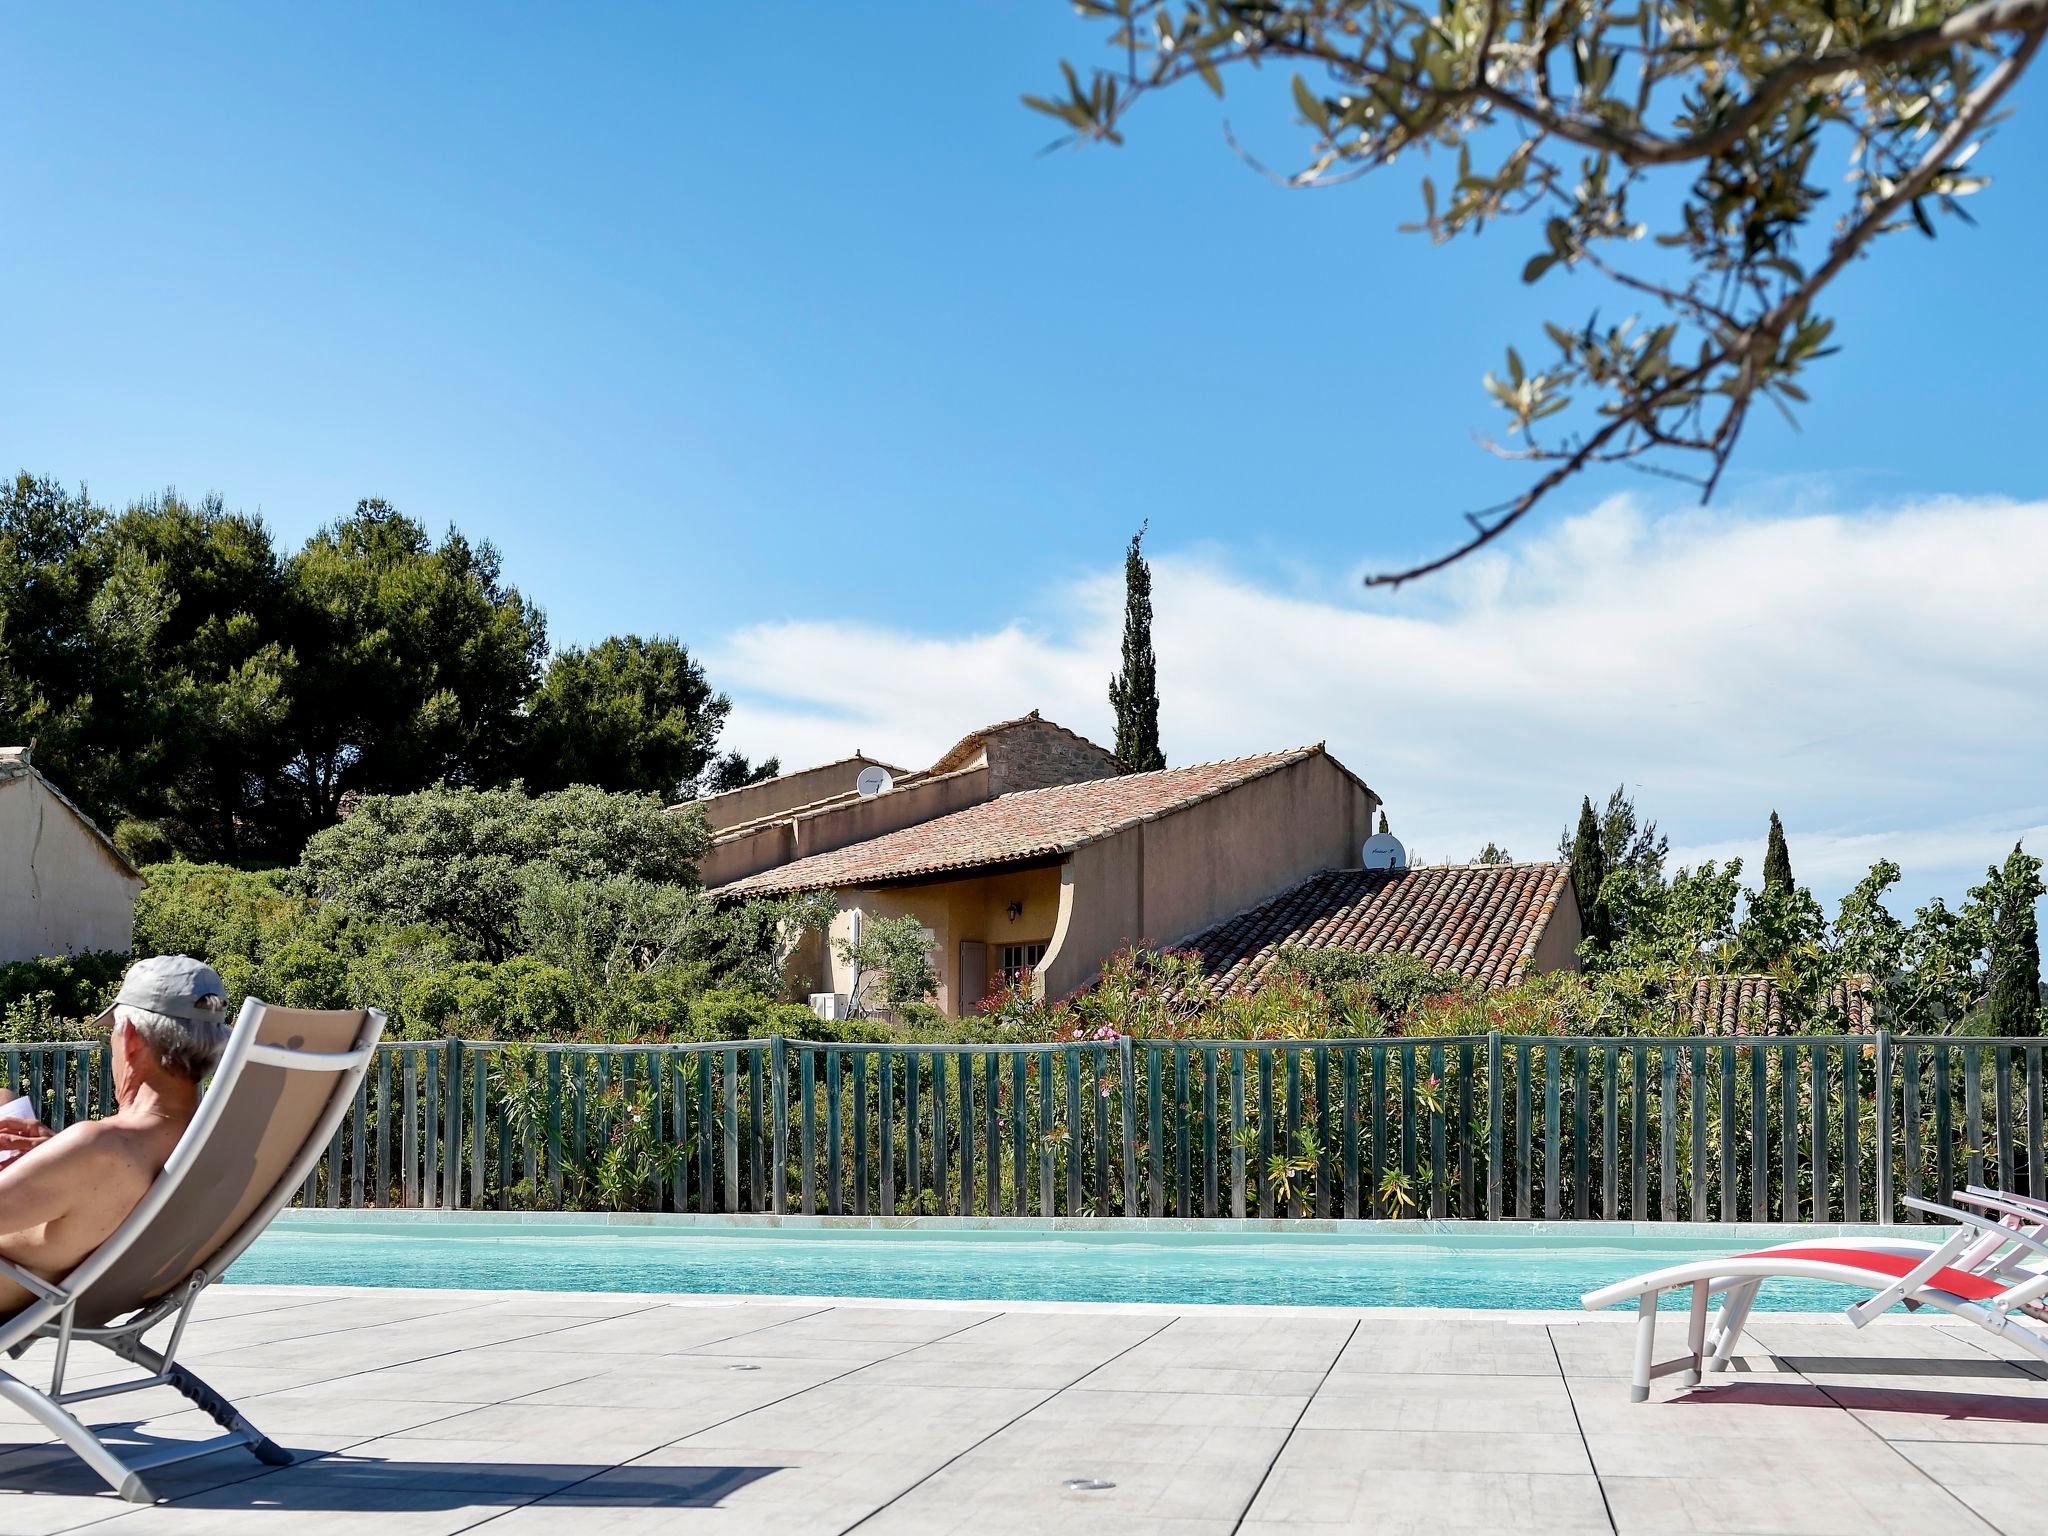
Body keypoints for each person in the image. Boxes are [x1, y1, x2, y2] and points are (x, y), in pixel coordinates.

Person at [0, 956, 229, 1310]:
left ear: (132, 1039)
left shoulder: (101, 1149)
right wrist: (57, 1155)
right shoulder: (207, 1147)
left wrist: (69, 1153)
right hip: (71, 1280)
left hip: (21, 1287)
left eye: (113, 1032)